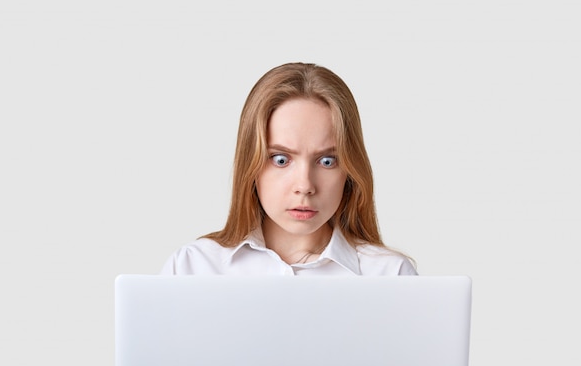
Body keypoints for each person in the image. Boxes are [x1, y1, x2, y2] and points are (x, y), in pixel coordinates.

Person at [161, 62, 416, 276]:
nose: (305, 186)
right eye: (281, 159)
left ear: (350, 171)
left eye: (327, 161)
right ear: (251, 164)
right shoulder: (193, 269)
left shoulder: (389, 275)